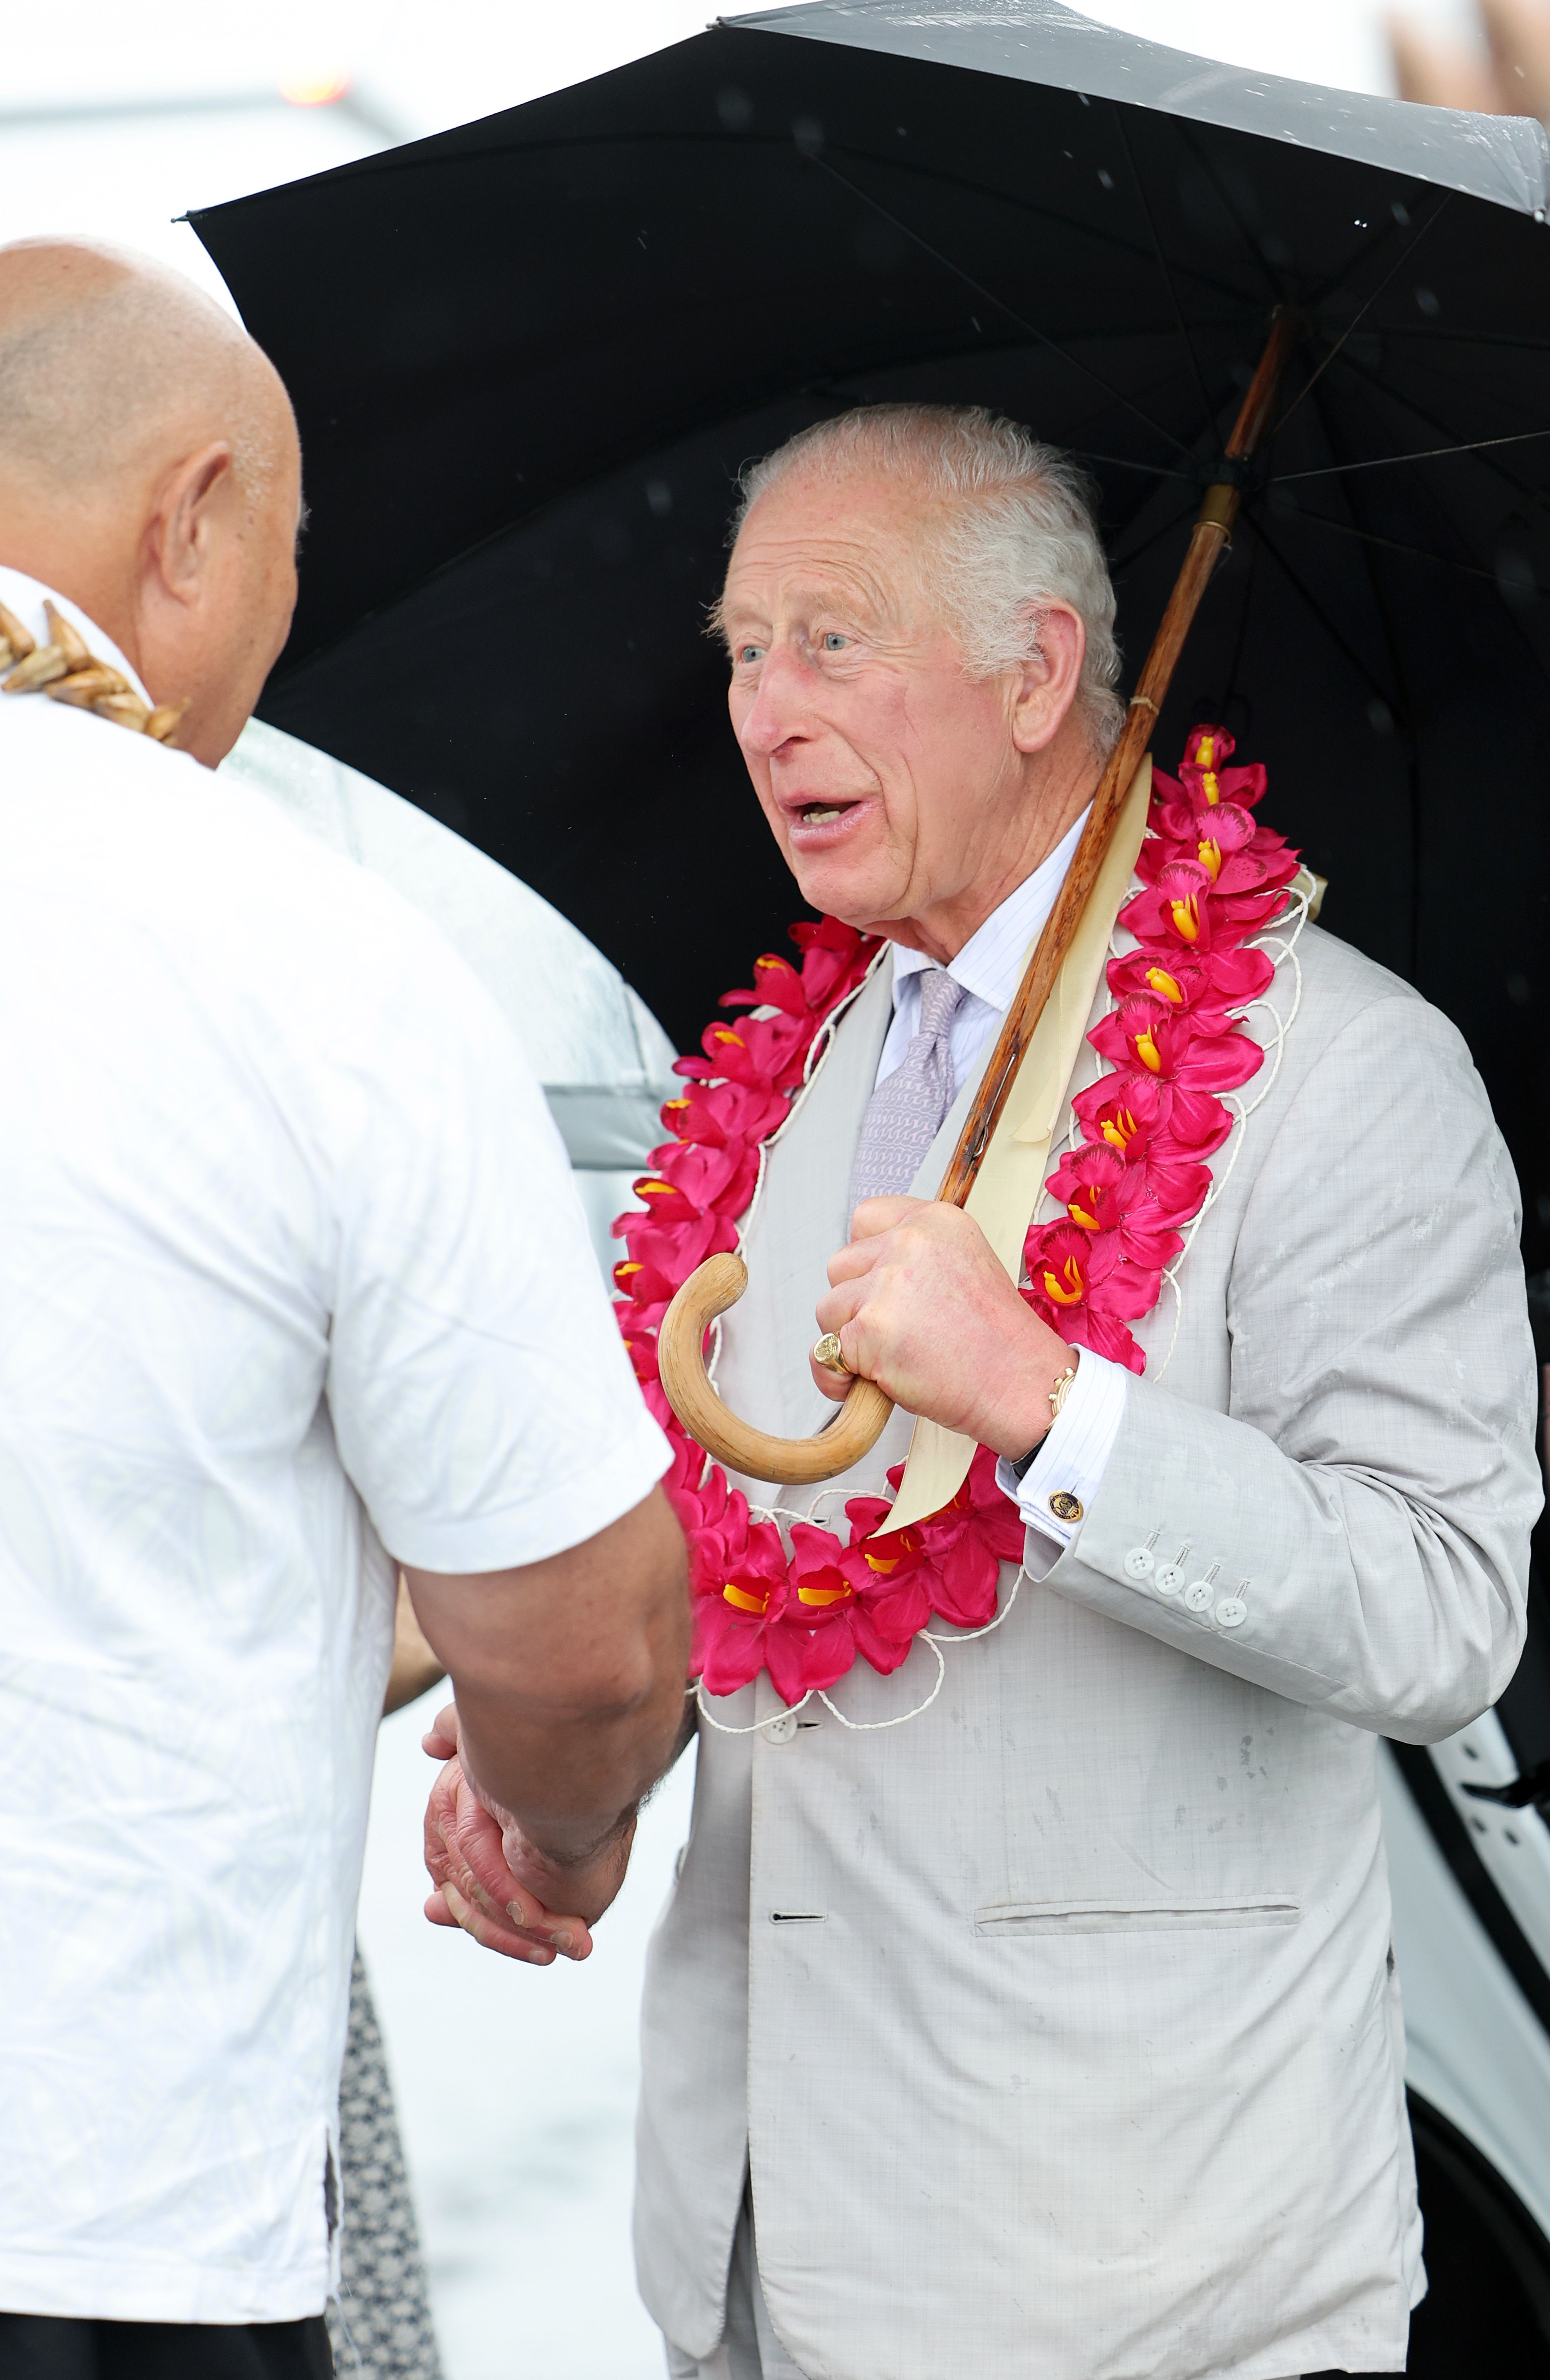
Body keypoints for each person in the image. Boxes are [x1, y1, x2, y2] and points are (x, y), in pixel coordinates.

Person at [438, 401, 1542, 2379]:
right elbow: (760, 1565)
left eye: (832, 641)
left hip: (1143, 2274)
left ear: (1036, 673)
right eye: (742, 650)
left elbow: (1443, 1606)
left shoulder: (1348, 1069)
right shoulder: (783, 1073)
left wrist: (1054, 1403)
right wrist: (562, 1791)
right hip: (756, 2247)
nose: (767, 710)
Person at [0, 237, 690, 2379]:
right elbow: (579, 1648)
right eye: (290, 562)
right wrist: (560, 1824)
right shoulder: (302, 956)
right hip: (92, 2210)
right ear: (191, 518)